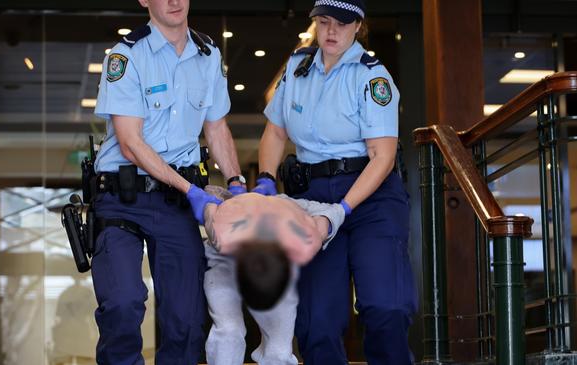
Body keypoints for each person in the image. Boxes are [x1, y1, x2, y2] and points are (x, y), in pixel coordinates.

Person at [254, 0, 418, 364]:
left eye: (342, 24)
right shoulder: (297, 69)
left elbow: (383, 157)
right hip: (310, 198)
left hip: (369, 198)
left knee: (385, 308)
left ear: (358, 25)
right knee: (317, 323)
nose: (331, 31)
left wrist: (341, 211)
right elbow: (276, 133)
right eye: (324, 22)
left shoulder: (372, 77)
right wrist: (266, 180)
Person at [91, 0, 247, 363]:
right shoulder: (126, 56)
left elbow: (216, 127)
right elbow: (130, 143)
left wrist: (237, 183)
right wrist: (191, 189)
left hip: (175, 204)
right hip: (121, 196)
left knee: (186, 318)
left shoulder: (207, 55)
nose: (175, 2)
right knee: (123, 302)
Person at [200, 187, 345, 365]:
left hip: (276, 252)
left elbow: (336, 209)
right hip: (223, 262)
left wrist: (327, 221)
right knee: (229, 330)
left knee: (280, 351)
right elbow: (210, 195)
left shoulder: (298, 223)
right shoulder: (223, 228)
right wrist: (213, 205)